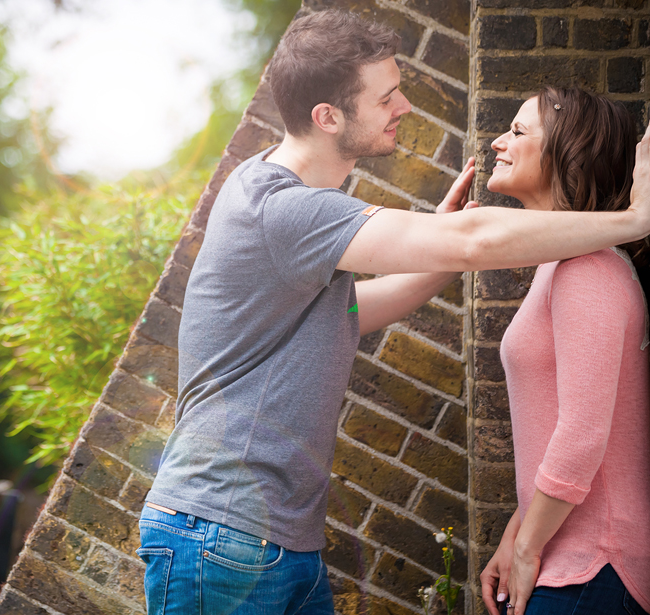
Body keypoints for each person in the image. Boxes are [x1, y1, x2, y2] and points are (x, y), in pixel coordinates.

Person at [138, 9, 650, 615]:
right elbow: (475, 241)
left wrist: (440, 253)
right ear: (328, 118)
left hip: (273, 544)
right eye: (386, 98)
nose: (405, 106)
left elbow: (351, 309)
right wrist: (636, 218)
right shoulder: (283, 208)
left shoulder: (267, 194)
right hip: (222, 536)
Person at [478, 88, 650, 615]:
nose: (497, 142)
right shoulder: (562, 264)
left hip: (594, 568)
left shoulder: (587, 271)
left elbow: (582, 435)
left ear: (564, 153)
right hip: (567, 562)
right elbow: (556, 426)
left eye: (518, 132)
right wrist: (515, 534)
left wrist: (528, 548)